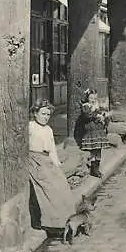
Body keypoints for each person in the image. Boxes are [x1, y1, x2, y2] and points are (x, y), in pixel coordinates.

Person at [28, 99, 76, 233]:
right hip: (34, 160)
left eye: (48, 115)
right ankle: (49, 222)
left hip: (46, 159)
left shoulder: (48, 130)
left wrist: (57, 165)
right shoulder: (30, 126)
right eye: (43, 114)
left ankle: (63, 221)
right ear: (35, 113)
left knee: (61, 184)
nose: (45, 117)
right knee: (49, 187)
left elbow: (52, 150)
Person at [76, 89, 111, 178]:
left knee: (98, 149)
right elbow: (87, 116)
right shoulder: (86, 106)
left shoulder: (97, 106)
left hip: (98, 130)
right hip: (90, 130)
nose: (93, 99)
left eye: (95, 98)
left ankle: (97, 167)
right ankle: (93, 169)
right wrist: (96, 115)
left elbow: (103, 115)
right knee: (93, 150)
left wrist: (104, 116)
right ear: (87, 98)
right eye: (91, 97)